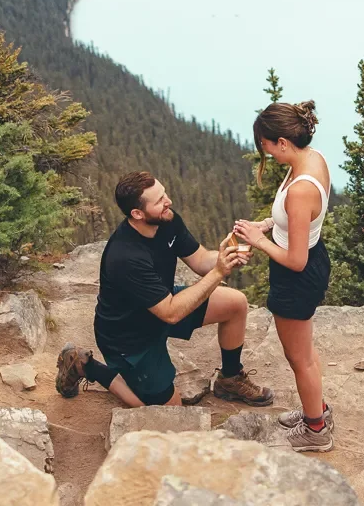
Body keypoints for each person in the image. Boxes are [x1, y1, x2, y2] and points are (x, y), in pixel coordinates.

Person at [56, 171, 275, 409]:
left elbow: (201, 260)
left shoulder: (166, 220)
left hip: (162, 302)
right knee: (167, 412)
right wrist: (219, 272)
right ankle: (86, 366)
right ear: (137, 214)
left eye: (164, 193)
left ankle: (230, 378)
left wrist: (229, 253)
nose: (168, 201)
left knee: (235, 304)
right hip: (130, 338)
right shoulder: (126, 257)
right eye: (159, 200)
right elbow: (171, 313)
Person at [232, 100, 334, 452]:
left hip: (297, 276)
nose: (268, 154)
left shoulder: (300, 188)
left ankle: (316, 431)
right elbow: (298, 222)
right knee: (305, 351)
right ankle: (315, 410)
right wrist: (266, 224)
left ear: (283, 143)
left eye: (267, 147)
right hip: (312, 259)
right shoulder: (312, 159)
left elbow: (296, 260)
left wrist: (258, 241)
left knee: (299, 358)